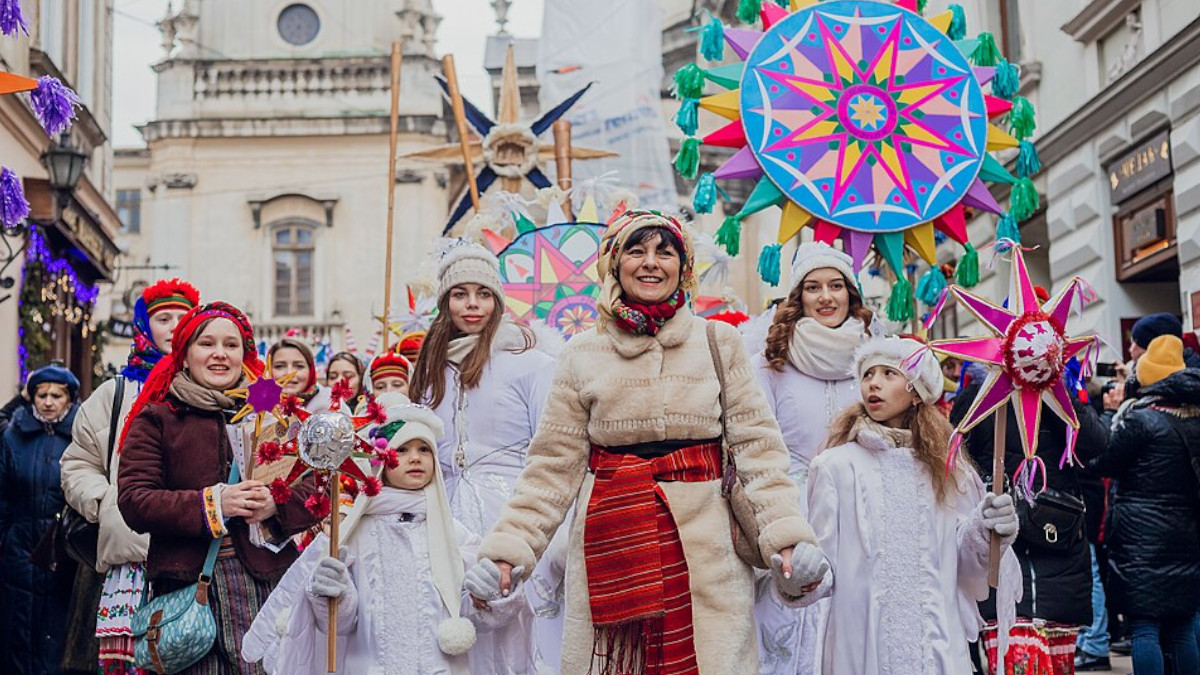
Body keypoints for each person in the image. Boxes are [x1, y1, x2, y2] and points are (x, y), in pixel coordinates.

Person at [468, 210, 826, 674]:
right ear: (615, 265)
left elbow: (759, 455)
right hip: (610, 551)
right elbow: (550, 471)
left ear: (684, 266)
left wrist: (788, 539)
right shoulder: (581, 356)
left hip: (707, 557)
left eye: (665, 251)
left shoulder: (720, 343)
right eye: (636, 250)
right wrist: (507, 554)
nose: (651, 263)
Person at [243, 396, 524, 674]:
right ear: (380, 460)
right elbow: (341, 626)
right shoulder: (351, 535)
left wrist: (486, 595)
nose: (415, 458)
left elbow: (474, 622)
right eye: (401, 450)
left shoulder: (456, 534)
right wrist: (333, 596)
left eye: (424, 449)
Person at [118, 302, 319, 674]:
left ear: (245, 354)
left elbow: (317, 488)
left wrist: (278, 505)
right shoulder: (159, 417)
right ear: (185, 353)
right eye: (206, 343)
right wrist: (214, 503)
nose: (219, 354)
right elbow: (135, 500)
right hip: (191, 589)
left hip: (270, 584)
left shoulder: (272, 410)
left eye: (231, 345)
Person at [803, 336, 1020, 674]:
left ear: (916, 391)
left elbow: (966, 568)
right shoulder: (834, 466)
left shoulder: (948, 470)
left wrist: (987, 529)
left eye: (889, 373)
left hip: (936, 643)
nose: (873, 382)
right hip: (861, 643)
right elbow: (822, 565)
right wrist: (800, 571)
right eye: (868, 374)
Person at [407, 238, 557, 673]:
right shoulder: (431, 368)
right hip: (442, 512)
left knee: (512, 627)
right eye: (460, 294)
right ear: (445, 302)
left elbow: (550, 449)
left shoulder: (530, 363)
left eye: (483, 293)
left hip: (510, 512)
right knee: (448, 624)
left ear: (498, 300)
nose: (472, 304)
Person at [60, 277, 199, 674]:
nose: (174, 326)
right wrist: (107, 504)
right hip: (130, 561)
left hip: (197, 555)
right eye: (163, 317)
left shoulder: (218, 387)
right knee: (130, 663)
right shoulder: (116, 393)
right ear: (144, 326)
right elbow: (77, 463)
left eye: (184, 317)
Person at [751, 241, 873, 675]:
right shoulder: (769, 369)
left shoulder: (872, 369)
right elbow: (751, 451)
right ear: (797, 298)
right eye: (814, 287)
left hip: (860, 517)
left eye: (836, 286)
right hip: (788, 517)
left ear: (851, 295)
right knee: (785, 634)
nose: (826, 297)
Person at [953, 348, 1110, 675]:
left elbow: (1097, 444)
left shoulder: (1059, 394)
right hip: (1002, 544)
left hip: (1060, 542)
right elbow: (953, 457)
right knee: (1014, 653)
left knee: (1054, 655)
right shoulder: (978, 397)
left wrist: (1057, 391)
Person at [1089, 335, 1200, 675]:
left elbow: (1102, 462)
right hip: (1186, 533)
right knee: (1181, 626)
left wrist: (1109, 415)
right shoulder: (1195, 418)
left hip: (1140, 539)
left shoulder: (1140, 420)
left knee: (1145, 627)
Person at [0, 365, 82, 674]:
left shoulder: (82, 438)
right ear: (31, 397)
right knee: (19, 627)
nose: (48, 402)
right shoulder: (12, 437)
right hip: (18, 549)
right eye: (41, 394)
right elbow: (3, 495)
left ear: (70, 399)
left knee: (57, 627)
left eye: (56, 395)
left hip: (63, 551)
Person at [269, 337, 331, 413]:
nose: (289, 373)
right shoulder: (254, 409)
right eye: (279, 366)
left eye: (299, 366)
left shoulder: (331, 404)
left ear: (311, 371)